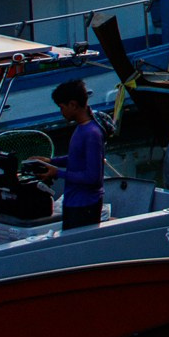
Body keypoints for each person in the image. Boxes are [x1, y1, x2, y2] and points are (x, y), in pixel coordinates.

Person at [40, 79, 106, 229]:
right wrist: (51, 161)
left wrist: (58, 173)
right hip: (72, 201)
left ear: (73, 105)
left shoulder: (92, 134)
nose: (61, 112)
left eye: (61, 107)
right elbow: (78, 159)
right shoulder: (81, 128)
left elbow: (93, 177)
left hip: (85, 205)